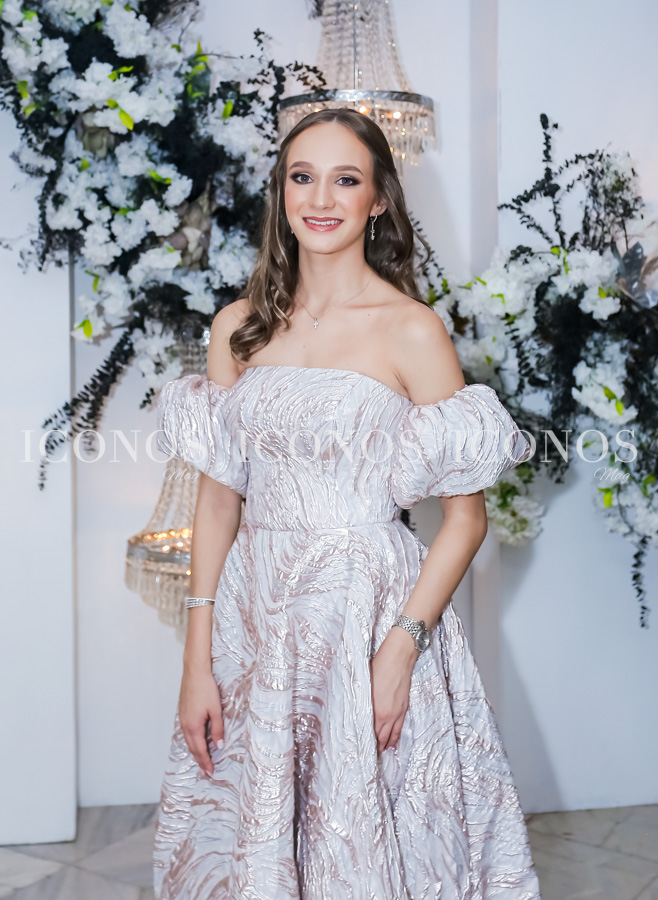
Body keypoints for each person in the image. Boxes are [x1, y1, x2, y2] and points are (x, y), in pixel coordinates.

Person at [152, 107, 542, 899]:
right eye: (303, 177)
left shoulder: (411, 331)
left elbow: (465, 519)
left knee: (362, 839)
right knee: (253, 839)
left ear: (378, 200)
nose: (321, 198)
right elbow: (219, 504)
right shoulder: (238, 329)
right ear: (281, 193)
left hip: (368, 611)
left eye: (346, 179)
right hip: (258, 616)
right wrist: (197, 664)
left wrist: (399, 651)